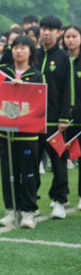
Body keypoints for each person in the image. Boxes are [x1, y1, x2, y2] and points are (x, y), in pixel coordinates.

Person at [0, 35, 43, 228]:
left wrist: (24, 89)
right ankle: (11, 210)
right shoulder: (3, 71)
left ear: (31, 51)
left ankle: (28, 211)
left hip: (28, 133)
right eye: (15, 47)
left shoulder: (36, 75)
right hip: (5, 132)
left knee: (28, 173)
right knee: (8, 172)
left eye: (23, 47)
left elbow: (40, 101)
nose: (18, 51)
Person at [35, 15, 71, 219]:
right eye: (44, 29)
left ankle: (59, 200)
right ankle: (30, 200)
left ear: (58, 33)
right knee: (31, 162)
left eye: (51, 29)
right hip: (32, 121)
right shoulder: (34, 54)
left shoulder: (63, 58)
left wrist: (64, 117)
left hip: (54, 122)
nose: (46, 33)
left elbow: (67, 90)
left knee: (58, 161)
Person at [62, 24, 81, 211]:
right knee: (60, 158)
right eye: (67, 36)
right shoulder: (61, 60)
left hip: (80, 117)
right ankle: (62, 195)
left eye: (74, 36)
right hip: (63, 119)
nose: (70, 40)